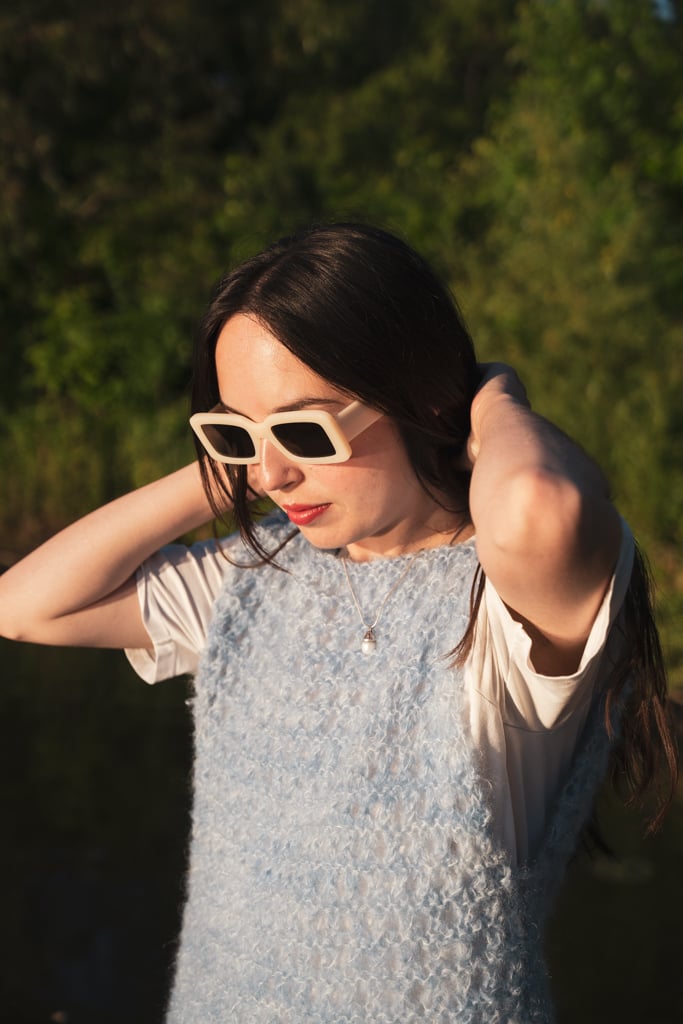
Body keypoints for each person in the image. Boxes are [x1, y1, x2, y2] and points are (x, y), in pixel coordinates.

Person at [0, 223, 676, 1023]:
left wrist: (491, 395)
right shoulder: (253, 577)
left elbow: (540, 506)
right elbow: (26, 605)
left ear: (421, 397)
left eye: (303, 430)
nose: (272, 472)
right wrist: (243, 466)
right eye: (235, 433)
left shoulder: (502, 608)